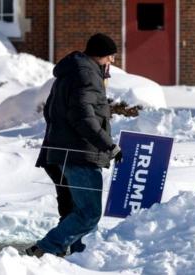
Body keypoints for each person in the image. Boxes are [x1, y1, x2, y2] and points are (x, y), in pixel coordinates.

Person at [26, 33, 123, 258]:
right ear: (101, 55)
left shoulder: (70, 73)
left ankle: (80, 255)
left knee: (74, 210)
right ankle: (44, 249)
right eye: (111, 57)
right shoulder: (86, 75)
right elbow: (83, 117)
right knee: (89, 213)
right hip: (80, 154)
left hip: (63, 152)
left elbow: (52, 112)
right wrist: (109, 145)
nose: (112, 62)